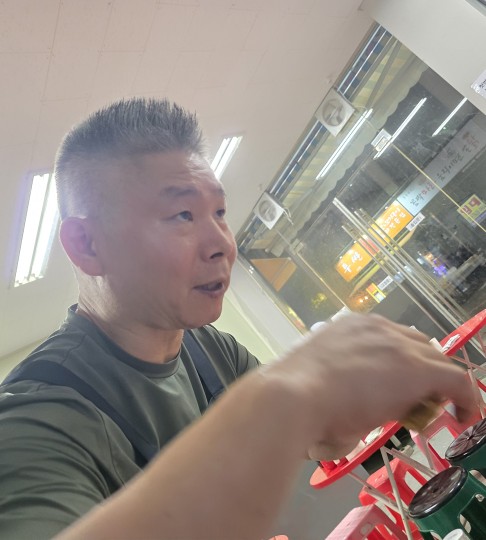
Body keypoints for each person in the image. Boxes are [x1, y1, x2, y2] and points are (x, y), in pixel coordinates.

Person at [0, 98, 475, 539]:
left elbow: (317, 443)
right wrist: (281, 395)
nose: (222, 244)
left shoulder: (209, 348)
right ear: (87, 244)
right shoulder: (38, 416)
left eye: (220, 212)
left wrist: (354, 394)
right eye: (182, 214)